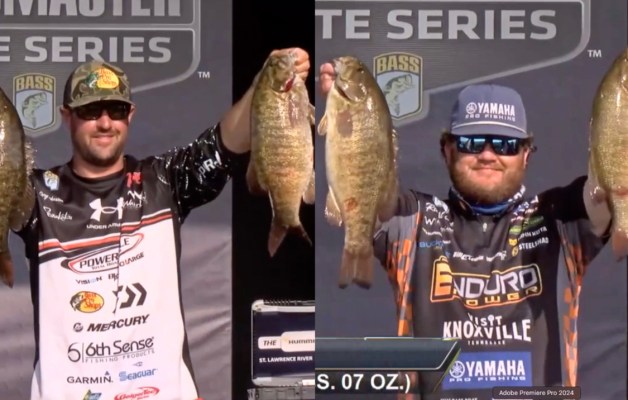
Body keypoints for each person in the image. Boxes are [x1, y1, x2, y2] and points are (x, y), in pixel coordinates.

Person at [8, 48, 310, 400]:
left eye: (116, 110)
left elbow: (225, 145)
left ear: (130, 115)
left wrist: (266, 82)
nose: (105, 123)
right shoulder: (35, 195)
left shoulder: (163, 181)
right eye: (90, 111)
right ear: (67, 116)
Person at [319, 63, 612, 400]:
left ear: (526, 155)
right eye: (472, 142)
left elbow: (615, 178)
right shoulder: (412, 220)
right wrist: (349, 116)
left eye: (505, 144)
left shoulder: (560, 218)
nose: (487, 155)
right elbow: (359, 187)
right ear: (447, 150)